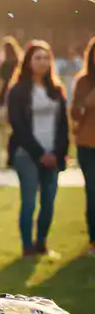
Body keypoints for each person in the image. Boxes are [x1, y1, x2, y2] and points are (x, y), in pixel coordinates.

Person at [7, 40, 69, 258]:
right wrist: (40, 154)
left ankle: (41, 243)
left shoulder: (57, 90)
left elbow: (64, 126)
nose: (43, 62)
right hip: (27, 154)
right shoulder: (18, 91)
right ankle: (27, 248)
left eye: (46, 58)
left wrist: (57, 154)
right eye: (38, 58)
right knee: (30, 201)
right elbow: (18, 125)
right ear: (28, 62)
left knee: (49, 202)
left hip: (53, 154)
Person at [71, 37, 95, 257]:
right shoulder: (83, 82)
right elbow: (75, 113)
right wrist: (87, 103)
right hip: (88, 145)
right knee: (93, 192)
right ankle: (93, 241)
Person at [0, 36, 22, 110]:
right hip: (17, 86)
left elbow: (1, 79)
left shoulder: (5, 64)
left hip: (6, 87)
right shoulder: (18, 61)